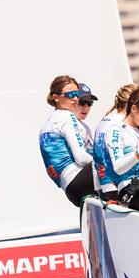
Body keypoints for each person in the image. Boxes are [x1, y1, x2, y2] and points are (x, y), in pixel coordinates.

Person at [39, 76, 96, 206]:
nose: (75, 99)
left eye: (76, 94)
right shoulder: (67, 117)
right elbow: (81, 158)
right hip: (77, 181)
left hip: (70, 189)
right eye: (70, 95)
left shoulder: (47, 124)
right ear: (56, 97)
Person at [101, 88, 139, 201]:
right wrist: (138, 154)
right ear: (133, 108)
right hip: (129, 191)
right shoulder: (116, 130)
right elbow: (118, 168)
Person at [93, 83, 139, 201]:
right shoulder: (123, 123)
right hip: (117, 187)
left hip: (104, 186)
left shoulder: (104, 120)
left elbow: (98, 157)